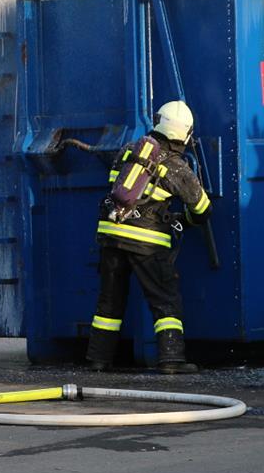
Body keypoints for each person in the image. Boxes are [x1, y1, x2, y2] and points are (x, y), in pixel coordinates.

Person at [85, 100, 212, 374]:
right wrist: (184, 221)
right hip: (147, 245)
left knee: (109, 299)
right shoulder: (176, 166)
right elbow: (202, 209)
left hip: (110, 234)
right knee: (165, 300)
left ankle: (98, 359)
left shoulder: (128, 151)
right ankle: (171, 359)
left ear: (158, 121)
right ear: (185, 133)